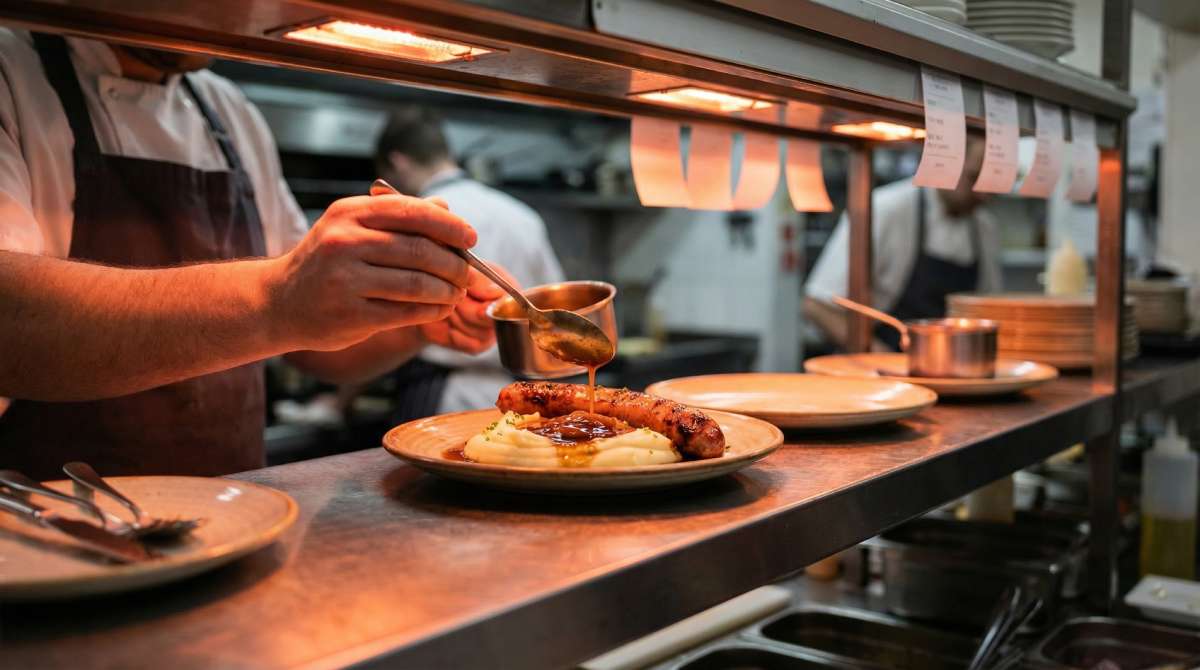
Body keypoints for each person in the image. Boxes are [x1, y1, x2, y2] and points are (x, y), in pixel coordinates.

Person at [0, 30, 510, 479]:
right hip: (54, 527)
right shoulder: (13, 70)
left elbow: (307, 342)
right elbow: (11, 319)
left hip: (238, 514)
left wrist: (412, 318)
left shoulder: (229, 111)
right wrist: (278, 296)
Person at [374, 107, 565, 418]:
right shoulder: (523, 215)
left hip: (438, 398)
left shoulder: (413, 220)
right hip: (520, 398)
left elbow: (377, 323)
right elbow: (555, 316)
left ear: (398, 161)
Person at [804, 137, 1001, 351]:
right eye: (974, 178)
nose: (983, 195)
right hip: (883, 369)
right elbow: (817, 306)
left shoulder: (984, 227)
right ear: (946, 163)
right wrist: (882, 361)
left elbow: (988, 310)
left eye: (992, 183)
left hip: (957, 370)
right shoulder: (885, 209)